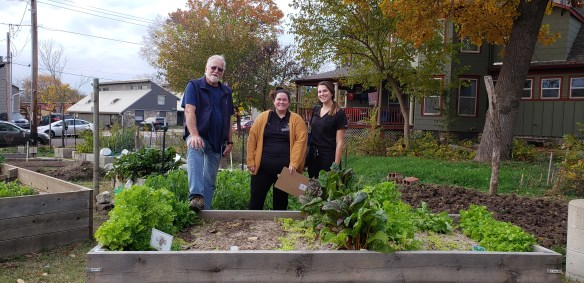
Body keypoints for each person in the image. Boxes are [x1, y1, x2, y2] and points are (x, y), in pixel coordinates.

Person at [182, 55, 234, 212]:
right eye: (213, 67)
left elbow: (229, 118)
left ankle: (206, 211)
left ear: (222, 73)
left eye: (220, 69)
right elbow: (189, 111)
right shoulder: (194, 86)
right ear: (206, 68)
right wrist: (195, 134)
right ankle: (196, 196)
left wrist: (230, 142)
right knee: (195, 147)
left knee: (210, 179)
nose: (216, 71)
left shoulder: (226, 92)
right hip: (199, 135)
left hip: (217, 140)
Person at [246, 88, 307, 210]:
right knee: (256, 199)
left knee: (281, 203)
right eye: (279, 99)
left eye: (285, 100)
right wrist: (250, 160)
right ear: (274, 101)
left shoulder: (296, 119)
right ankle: (253, 226)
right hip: (262, 168)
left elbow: (300, 142)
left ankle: (278, 228)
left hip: (285, 170)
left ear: (289, 103)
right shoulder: (263, 117)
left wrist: (294, 164)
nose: (281, 102)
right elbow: (252, 138)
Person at [306, 81, 348, 178]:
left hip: (328, 157)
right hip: (313, 156)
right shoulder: (316, 110)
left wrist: (336, 165)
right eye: (319, 92)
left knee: (327, 189)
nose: (321, 94)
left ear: (331, 93)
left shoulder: (339, 114)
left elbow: (340, 142)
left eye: (325, 91)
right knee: (313, 188)